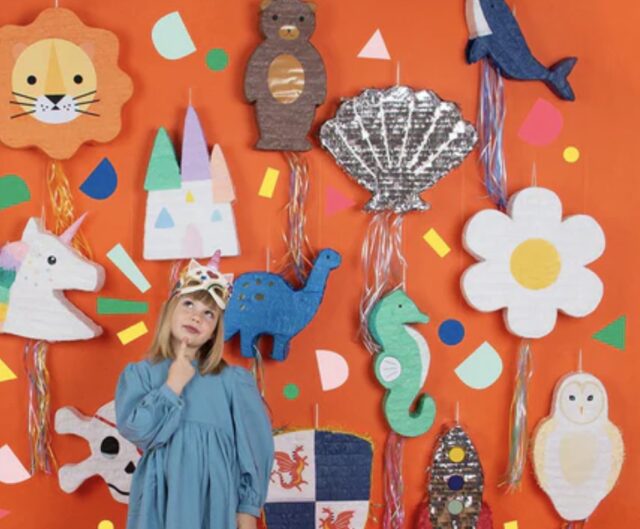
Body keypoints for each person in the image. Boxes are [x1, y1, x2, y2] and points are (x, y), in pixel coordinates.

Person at [115, 258, 274, 529]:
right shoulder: (140, 374)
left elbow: (256, 446)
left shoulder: (232, 381)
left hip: (215, 503)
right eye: (188, 304)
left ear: (214, 331)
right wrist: (172, 386)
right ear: (170, 311)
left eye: (208, 313)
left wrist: (248, 507)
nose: (196, 316)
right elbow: (136, 430)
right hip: (161, 502)